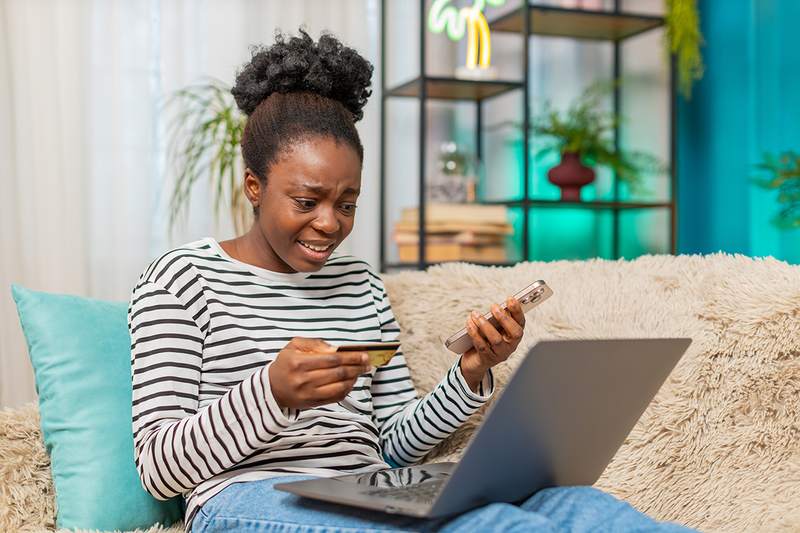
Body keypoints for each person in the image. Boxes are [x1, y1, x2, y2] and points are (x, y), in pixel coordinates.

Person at [129, 29, 693, 533]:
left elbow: (393, 447)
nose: (329, 224)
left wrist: (470, 373)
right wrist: (271, 394)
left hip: (369, 487)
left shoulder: (359, 286)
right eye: (307, 201)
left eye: (346, 203)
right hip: (245, 498)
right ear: (254, 185)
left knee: (577, 506)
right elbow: (158, 470)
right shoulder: (180, 280)